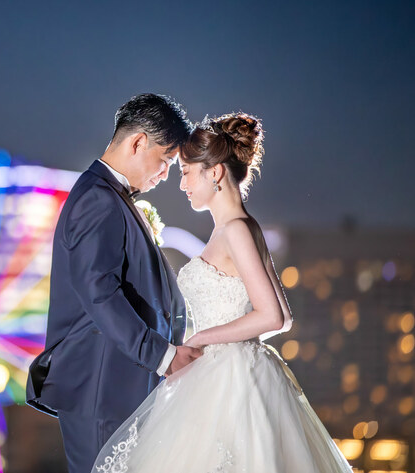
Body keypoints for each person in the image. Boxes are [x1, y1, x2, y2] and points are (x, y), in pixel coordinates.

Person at [92, 113, 353, 472]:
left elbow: (272, 317)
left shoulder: (236, 230)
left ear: (214, 173)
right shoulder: (241, 227)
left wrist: (203, 338)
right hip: (223, 371)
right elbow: (283, 318)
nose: (181, 184)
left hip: (228, 379)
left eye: (186, 172)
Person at [25, 93, 202, 473]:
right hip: (102, 389)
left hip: (118, 384)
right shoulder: (98, 199)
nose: (165, 175)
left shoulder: (110, 197)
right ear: (138, 142)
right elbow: (100, 293)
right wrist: (164, 357)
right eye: (166, 160)